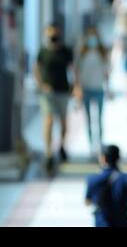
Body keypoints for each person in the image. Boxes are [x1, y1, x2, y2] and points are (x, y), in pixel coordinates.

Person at [34, 24, 73, 172]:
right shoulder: (43, 52)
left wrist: (75, 86)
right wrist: (41, 84)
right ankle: (48, 151)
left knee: (63, 121)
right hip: (47, 92)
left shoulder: (65, 51)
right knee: (49, 119)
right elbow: (36, 68)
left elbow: (72, 68)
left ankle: (62, 145)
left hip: (63, 90)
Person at [85, 145, 127, 227]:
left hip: (101, 223)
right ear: (118, 158)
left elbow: (87, 201)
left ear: (103, 158)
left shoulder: (92, 179)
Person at [75, 28, 111, 156]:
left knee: (99, 118)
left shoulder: (102, 53)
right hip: (86, 89)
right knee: (89, 118)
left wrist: (108, 88)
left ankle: (100, 142)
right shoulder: (82, 54)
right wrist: (77, 88)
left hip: (98, 89)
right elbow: (77, 72)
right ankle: (91, 143)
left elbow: (106, 72)